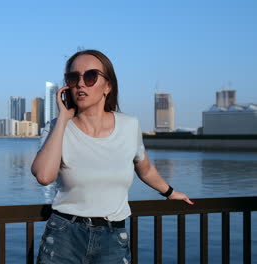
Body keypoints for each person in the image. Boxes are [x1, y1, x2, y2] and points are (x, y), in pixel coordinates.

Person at [31, 49, 193, 263]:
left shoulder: (129, 125)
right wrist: (62, 120)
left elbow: (144, 168)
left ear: (107, 86)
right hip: (64, 235)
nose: (80, 84)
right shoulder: (56, 128)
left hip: (113, 237)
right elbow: (44, 176)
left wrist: (170, 192)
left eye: (90, 76)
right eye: (73, 78)